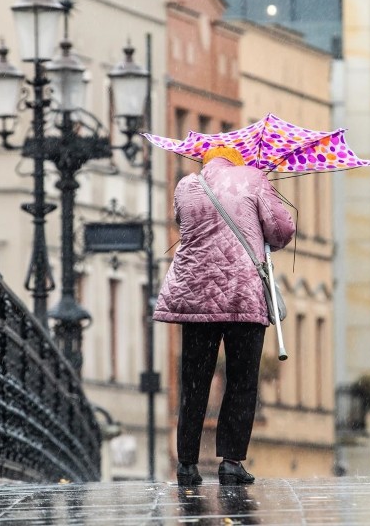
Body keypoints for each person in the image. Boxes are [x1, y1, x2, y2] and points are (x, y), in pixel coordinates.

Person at [154, 145, 295, 486]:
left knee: (193, 379)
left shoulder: (187, 186)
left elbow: (182, 222)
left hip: (196, 295)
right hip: (242, 294)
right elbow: (282, 228)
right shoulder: (254, 178)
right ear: (236, 162)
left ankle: (186, 464)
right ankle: (231, 462)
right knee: (242, 378)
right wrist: (260, 235)